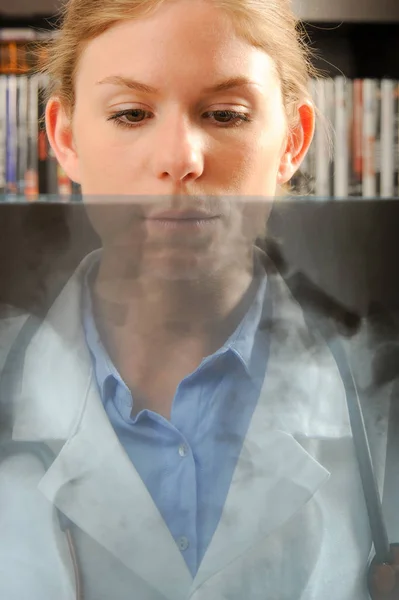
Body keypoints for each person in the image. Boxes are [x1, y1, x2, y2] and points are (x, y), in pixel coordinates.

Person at [0, 0, 395, 598]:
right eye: (131, 113)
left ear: (293, 140)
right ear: (65, 138)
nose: (180, 159)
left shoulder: (381, 396)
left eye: (226, 114)